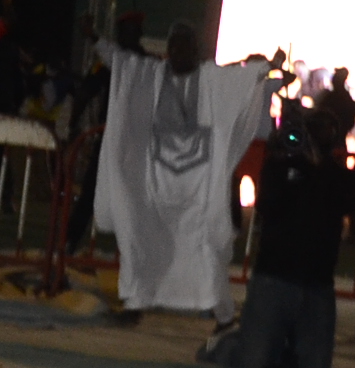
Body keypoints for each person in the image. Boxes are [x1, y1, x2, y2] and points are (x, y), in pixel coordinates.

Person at [90, 21, 274, 321]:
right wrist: (96, 39)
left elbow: (245, 82)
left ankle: (216, 308)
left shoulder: (212, 80)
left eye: (184, 45)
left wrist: (266, 69)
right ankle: (136, 304)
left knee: (204, 246)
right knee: (141, 239)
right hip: (155, 181)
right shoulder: (149, 76)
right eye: (173, 46)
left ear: (196, 50)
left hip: (199, 184)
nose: (177, 52)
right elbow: (120, 62)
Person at [212, 107, 355, 368]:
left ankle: (283, 352)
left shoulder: (339, 177)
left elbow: (351, 199)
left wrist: (317, 168)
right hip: (275, 277)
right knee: (253, 363)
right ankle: (226, 344)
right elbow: (270, 204)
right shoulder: (280, 167)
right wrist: (291, 162)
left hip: (317, 285)